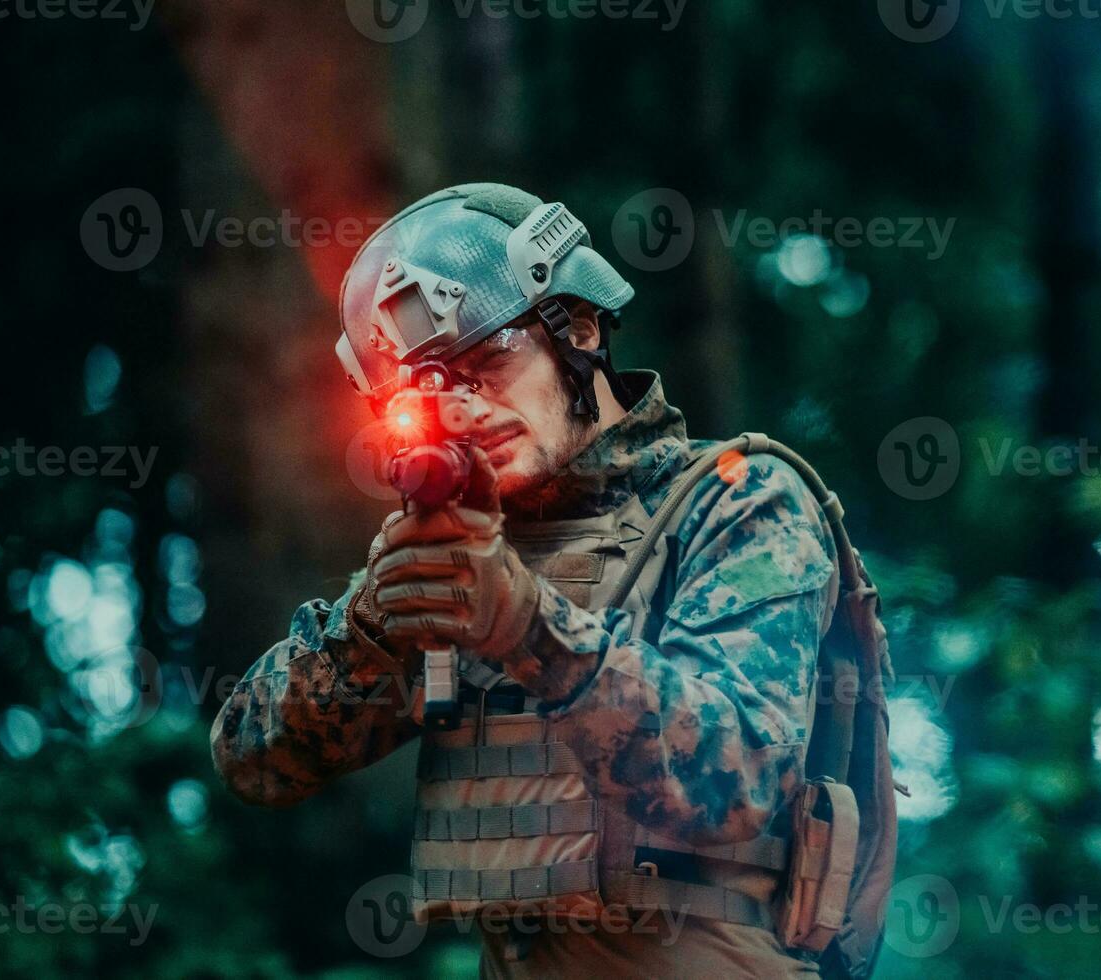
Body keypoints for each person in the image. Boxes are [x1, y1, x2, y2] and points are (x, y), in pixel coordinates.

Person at [210, 183, 842, 976]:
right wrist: (369, 631)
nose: (468, 406)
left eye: (491, 357)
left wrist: (525, 625)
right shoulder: (467, 545)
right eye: (430, 393)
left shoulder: (734, 498)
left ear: (576, 326)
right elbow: (253, 759)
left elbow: (741, 776)